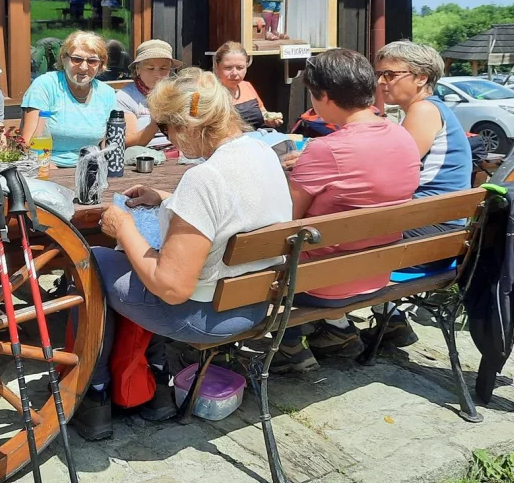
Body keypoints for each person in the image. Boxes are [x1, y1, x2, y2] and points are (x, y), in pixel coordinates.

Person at [70, 68, 293, 441]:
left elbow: (171, 288)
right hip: (256, 303)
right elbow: (234, 210)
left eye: (166, 129)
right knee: (135, 253)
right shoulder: (260, 151)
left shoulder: (204, 177)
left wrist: (123, 227)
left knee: (88, 258)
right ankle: (152, 382)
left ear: (187, 125)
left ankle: (94, 394)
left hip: (203, 317)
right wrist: (168, 203)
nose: (168, 140)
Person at [274, 48, 421, 372]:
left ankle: (285, 345)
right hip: (378, 271)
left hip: (323, 281)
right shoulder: (403, 137)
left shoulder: (325, 150)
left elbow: (283, 221)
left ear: (324, 96)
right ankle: (332, 332)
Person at [370, 40, 473, 346]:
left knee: (333, 237)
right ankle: (389, 319)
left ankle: (334, 326)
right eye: (379, 74)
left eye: (390, 74)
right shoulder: (426, 109)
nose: (381, 82)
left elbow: (396, 176)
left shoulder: (423, 110)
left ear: (421, 78)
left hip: (433, 234)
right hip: (442, 226)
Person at [20, 31, 117, 167]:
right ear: (63, 59)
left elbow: (110, 145)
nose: (84, 67)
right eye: (77, 59)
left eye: (92, 61)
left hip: (90, 169)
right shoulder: (45, 85)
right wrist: (55, 171)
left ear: (100, 64)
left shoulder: (107, 93)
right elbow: (28, 142)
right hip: (47, 167)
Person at [115, 39, 182, 149]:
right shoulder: (125, 97)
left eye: (163, 68)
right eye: (150, 68)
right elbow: (128, 143)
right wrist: (156, 122)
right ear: (137, 69)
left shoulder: (177, 93)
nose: (157, 74)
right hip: (143, 156)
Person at [213, 41, 283, 130]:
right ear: (217, 66)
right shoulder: (211, 93)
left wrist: (270, 120)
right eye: (228, 67)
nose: (234, 73)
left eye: (240, 68)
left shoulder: (247, 86)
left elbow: (263, 113)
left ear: (246, 66)